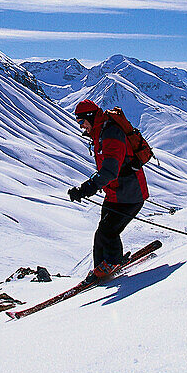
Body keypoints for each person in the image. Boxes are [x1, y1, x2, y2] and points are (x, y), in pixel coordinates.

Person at [67, 99, 149, 283]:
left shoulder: (111, 133)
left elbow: (110, 171)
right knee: (102, 233)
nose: (81, 127)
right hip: (116, 192)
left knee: (108, 231)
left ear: (90, 117)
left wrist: (84, 189)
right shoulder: (101, 132)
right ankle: (101, 268)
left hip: (129, 194)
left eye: (81, 122)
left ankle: (111, 263)